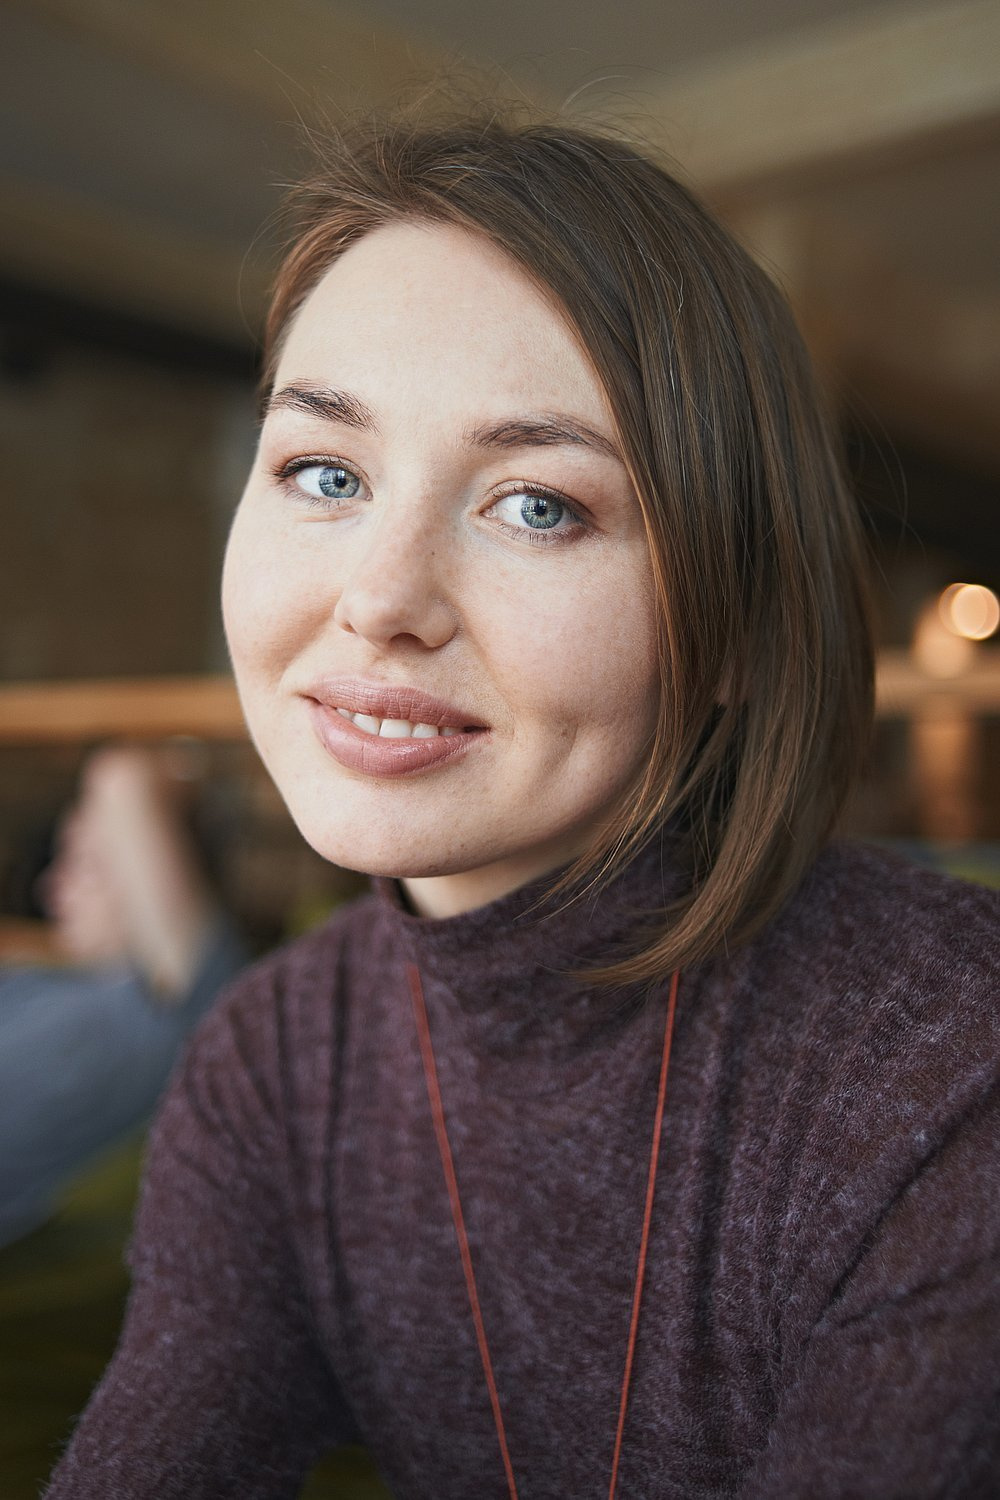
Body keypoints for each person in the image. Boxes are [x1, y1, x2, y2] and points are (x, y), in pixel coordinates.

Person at [46, 114, 999, 1499]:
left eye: (538, 506)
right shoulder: (273, 1066)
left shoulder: (948, 1065)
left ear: (734, 626)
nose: (380, 598)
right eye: (325, 473)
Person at [0, 747, 247, 1246]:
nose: (51, 886)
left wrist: (185, 768)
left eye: (83, 864)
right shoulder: (53, 979)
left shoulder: (178, 1003)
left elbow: (120, 775)